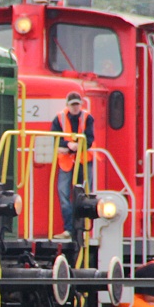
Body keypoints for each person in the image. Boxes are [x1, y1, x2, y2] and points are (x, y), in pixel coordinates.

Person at [51, 91, 95, 238]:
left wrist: (74, 146)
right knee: (63, 192)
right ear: (67, 105)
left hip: (84, 160)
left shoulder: (88, 118)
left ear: (81, 105)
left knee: (85, 194)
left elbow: (89, 139)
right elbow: (54, 139)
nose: (75, 108)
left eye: (77, 104)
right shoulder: (59, 118)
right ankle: (69, 229)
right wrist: (69, 145)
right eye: (73, 105)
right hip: (66, 162)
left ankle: (84, 230)